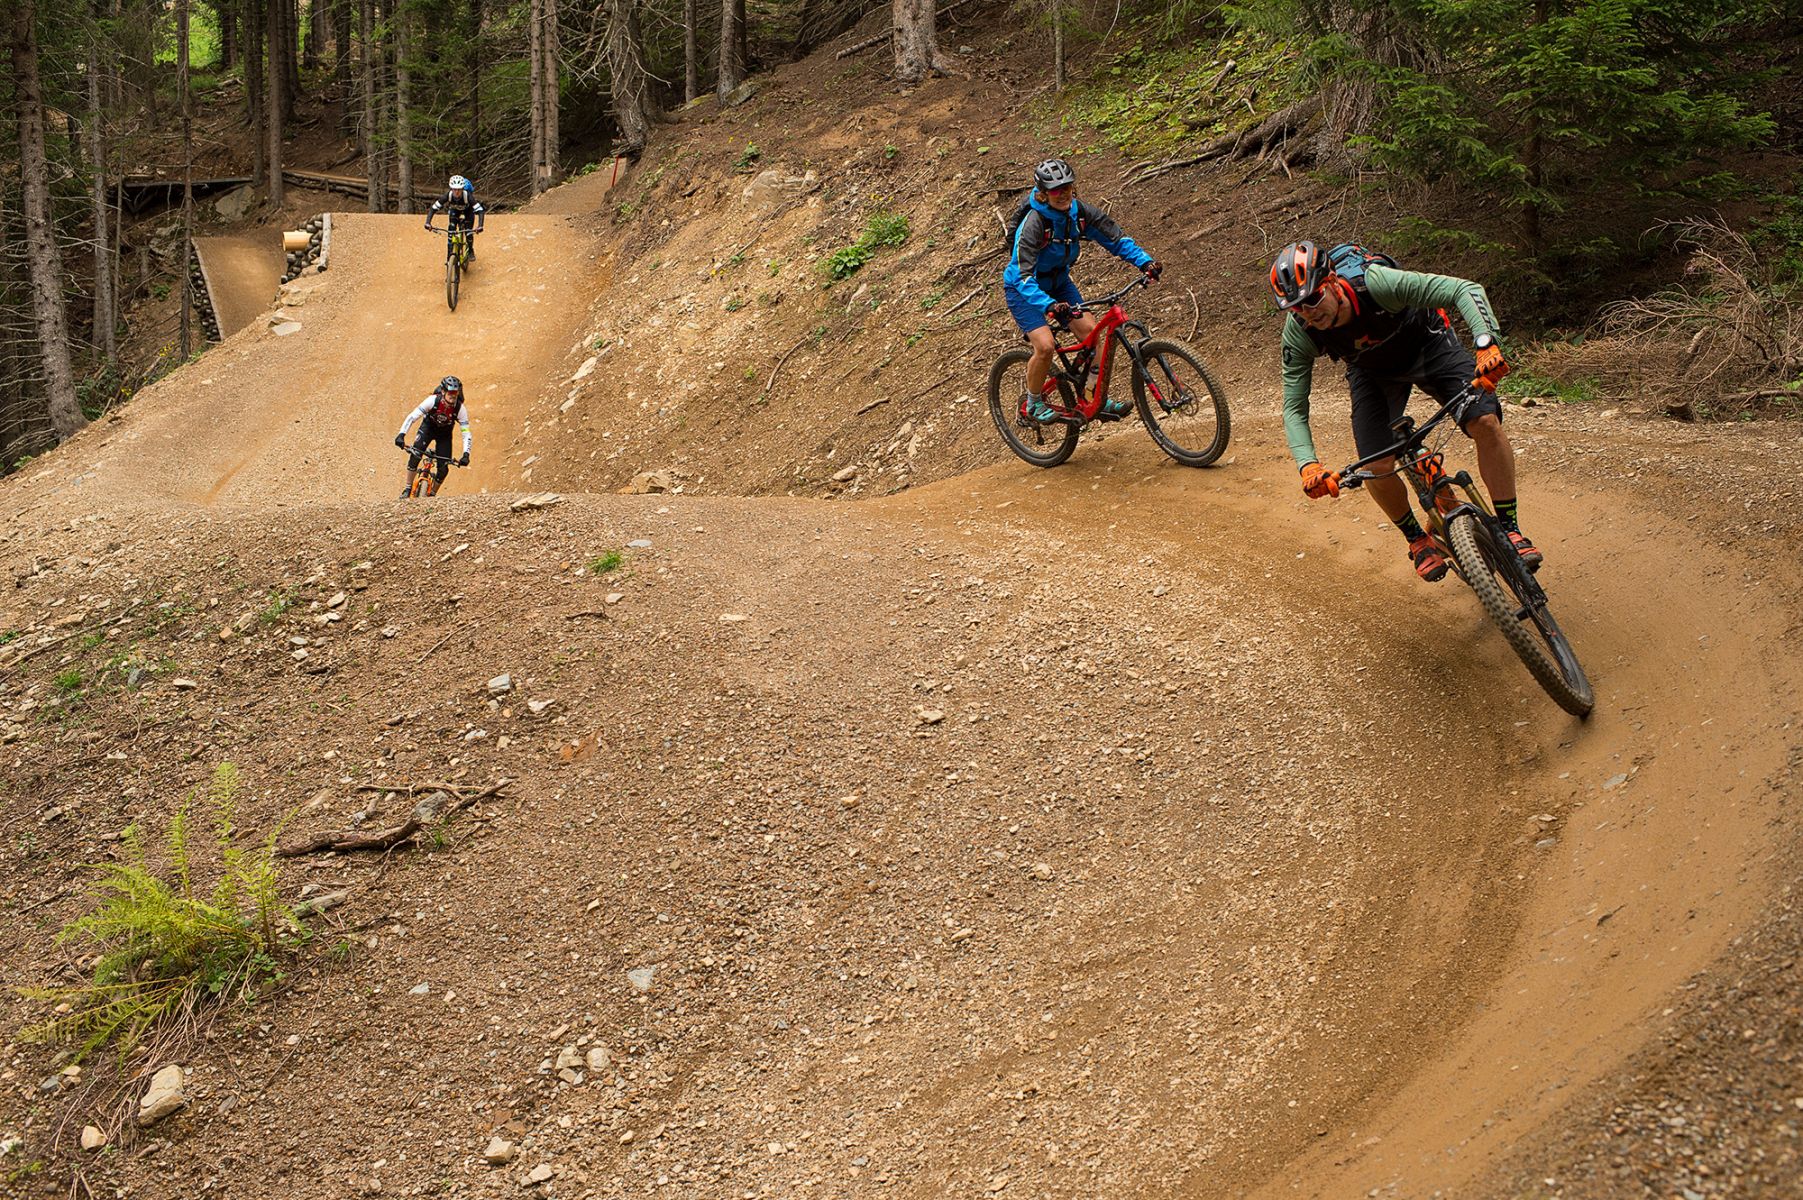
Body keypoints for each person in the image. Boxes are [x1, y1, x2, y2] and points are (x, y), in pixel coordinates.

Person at [1269, 240, 1538, 581]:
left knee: (1484, 420)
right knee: (1375, 464)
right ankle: (1417, 540)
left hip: (1427, 344)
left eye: (1313, 298)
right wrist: (1308, 465)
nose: (1308, 312)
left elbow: (1463, 290)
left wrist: (1487, 343)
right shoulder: (1300, 333)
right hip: (1372, 372)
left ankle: (1510, 530)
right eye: (1296, 307)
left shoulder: (1376, 283)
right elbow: (1294, 406)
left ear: (1333, 282)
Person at [1003, 158, 1162, 423]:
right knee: (1045, 346)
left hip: (1059, 283)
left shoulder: (1079, 213)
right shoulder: (1033, 224)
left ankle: (1091, 398)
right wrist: (1048, 305)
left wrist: (1145, 262)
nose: (1063, 193)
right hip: (1023, 289)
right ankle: (1032, 404)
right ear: (1043, 194)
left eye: (1067, 187)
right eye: (1055, 190)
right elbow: (1021, 274)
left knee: (1092, 334)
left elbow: (1116, 239)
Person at [395, 376, 472, 498]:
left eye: (456, 393)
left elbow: (466, 432)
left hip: (444, 435)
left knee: (443, 469)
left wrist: (466, 454)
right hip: (428, 428)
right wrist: (401, 434)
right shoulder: (432, 400)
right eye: (451, 392)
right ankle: (408, 488)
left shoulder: (460, 409)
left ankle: (432, 495)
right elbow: (412, 417)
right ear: (443, 391)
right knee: (415, 454)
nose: (453, 396)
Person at [424, 174, 486, 261]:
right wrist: (428, 222)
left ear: (462, 189)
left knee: (468, 232)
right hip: (454, 211)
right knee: (451, 232)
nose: (456, 192)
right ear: (451, 189)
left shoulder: (467, 196)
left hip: (468, 212)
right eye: (454, 189)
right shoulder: (448, 195)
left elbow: (480, 210)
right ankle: (449, 258)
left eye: (459, 189)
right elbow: (433, 208)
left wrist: (480, 225)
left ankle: (470, 250)